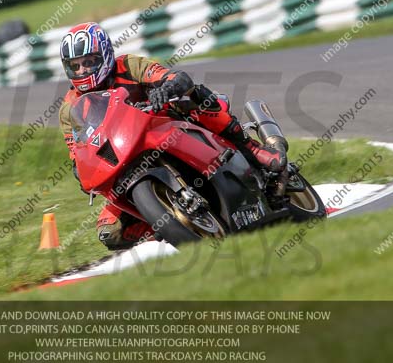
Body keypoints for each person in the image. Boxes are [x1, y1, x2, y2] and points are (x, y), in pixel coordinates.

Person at [57, 22, 288, 251]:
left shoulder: (127, 65)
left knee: (194, 97)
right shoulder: (69, 108)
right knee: (109, 231)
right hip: (123, 156)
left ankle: (253, 149)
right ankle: (168, 220)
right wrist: (81, 170)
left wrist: (166, 88)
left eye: (88, 62)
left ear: (105, 55)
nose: (82, 71)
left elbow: (175, 77)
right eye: (74, 66)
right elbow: (76, 150)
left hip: (163, 122)